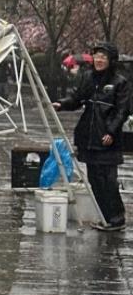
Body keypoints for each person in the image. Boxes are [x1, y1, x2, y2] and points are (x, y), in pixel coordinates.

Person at [53, 41, 129, 231]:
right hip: (89, 135)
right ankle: (105, 217)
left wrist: (111, 131)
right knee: (94, 179)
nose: (99, 60)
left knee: (108, 179)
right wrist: (62, 104)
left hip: (107, 137)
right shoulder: (88, 78)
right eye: (97, 56)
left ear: (111, 60)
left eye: (104, 57)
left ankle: (117, 217)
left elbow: (122, 111)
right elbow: (77, 99)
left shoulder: (120, 82)